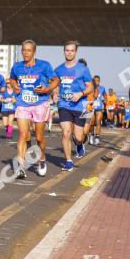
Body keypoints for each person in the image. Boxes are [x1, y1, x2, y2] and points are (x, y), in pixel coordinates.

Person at [9, 40, 59, 178]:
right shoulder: (17, 66)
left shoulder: (44, 65)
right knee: (23, 135)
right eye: (23, 50)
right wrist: (14, 86)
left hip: (40, 103)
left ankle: (42, 159)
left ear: (34, 52)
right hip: (23, 104)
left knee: (39, 137)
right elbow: (12, 78)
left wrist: (47, 89)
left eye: (29, 50)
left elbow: (56, 80)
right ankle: (20, 166)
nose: (25, 53)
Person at [54, 41, 94, 171]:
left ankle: (79, 143)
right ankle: (69, 161)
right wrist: (55, 94)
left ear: (75, 52)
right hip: (64, 105)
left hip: (78, 105)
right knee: (66, 132)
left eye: (72, 50)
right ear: (63, 51)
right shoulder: (58, 69)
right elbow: (55, 85)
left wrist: (80, 93)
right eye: (67, 50)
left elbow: (90, 87)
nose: (69, 53)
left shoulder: (83, 69)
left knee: (78, 136)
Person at [89, 75, 106, 145]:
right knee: (91, 123)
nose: (96, 82)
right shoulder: (90, 88)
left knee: (98, 121)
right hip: (91, 107)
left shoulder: (102, 88)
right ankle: (91, 135)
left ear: (99, 81)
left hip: (99, 107)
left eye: (98, 81)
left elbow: (105, 95)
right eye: (95, 81)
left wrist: (105, 100)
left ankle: (97, 138)